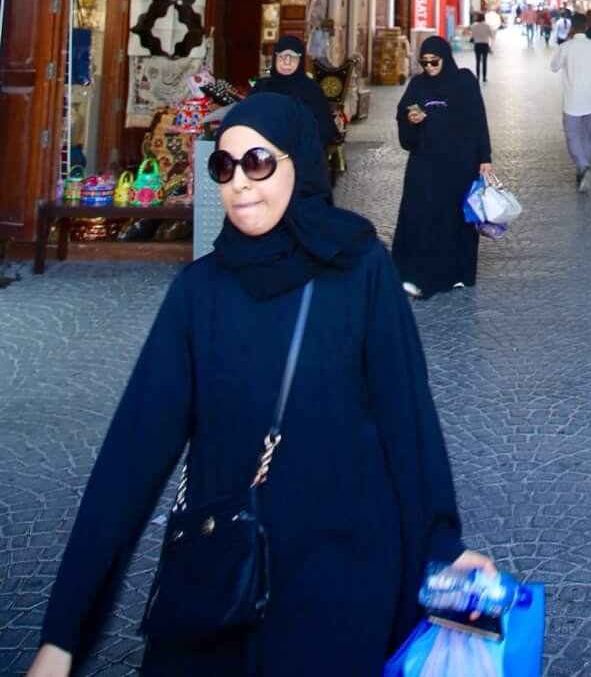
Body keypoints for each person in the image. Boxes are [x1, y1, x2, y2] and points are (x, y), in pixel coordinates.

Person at [24, 94, 494, 677]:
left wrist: (444, 549)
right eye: (223, 167)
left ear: (298, 163)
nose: (240, 183)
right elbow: (131, 457)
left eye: (259, 162)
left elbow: (409, 422)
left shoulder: (360, 270)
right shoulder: (199, 293)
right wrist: (64, 634)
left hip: (343, 578)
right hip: (222, 581)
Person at [392, 37, 492, 296]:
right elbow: (403, 119)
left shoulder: (465, 82)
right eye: (423, 63)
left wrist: (485, 158)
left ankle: (458, 273)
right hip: (424, 164)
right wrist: (411, 120)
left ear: (445, 59)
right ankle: (418, 274)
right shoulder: (417, 85)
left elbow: (478, 121)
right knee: (420, 215)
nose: (429, 67)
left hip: (459, 164)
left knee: (457, 218)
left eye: (434, 62)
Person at [550, 13, 591, 192]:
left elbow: (553, 66)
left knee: (572, 137)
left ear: (572, 28)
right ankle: (581, 171)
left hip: (572, 101)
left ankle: (583, 167)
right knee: (586, 136)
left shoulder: (566, 47)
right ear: (586, 27)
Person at [251, 33, 337, 161]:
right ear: (275, 59)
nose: (287, 63)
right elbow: (248, 119)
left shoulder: (311, 90)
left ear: (300, 61)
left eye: (293, 57)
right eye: (282, 57)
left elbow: (323, 129)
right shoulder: (262, 87)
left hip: (301, 157)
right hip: (265, 155)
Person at [469, 9, 494, 83]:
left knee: (477, 61)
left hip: (477, 45)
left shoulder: (474, 26)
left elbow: (472, 36)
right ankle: (484, 77)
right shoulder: (487, 26)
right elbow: (491, 36)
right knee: (484, 62)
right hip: (485, 45)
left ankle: (477, 76)